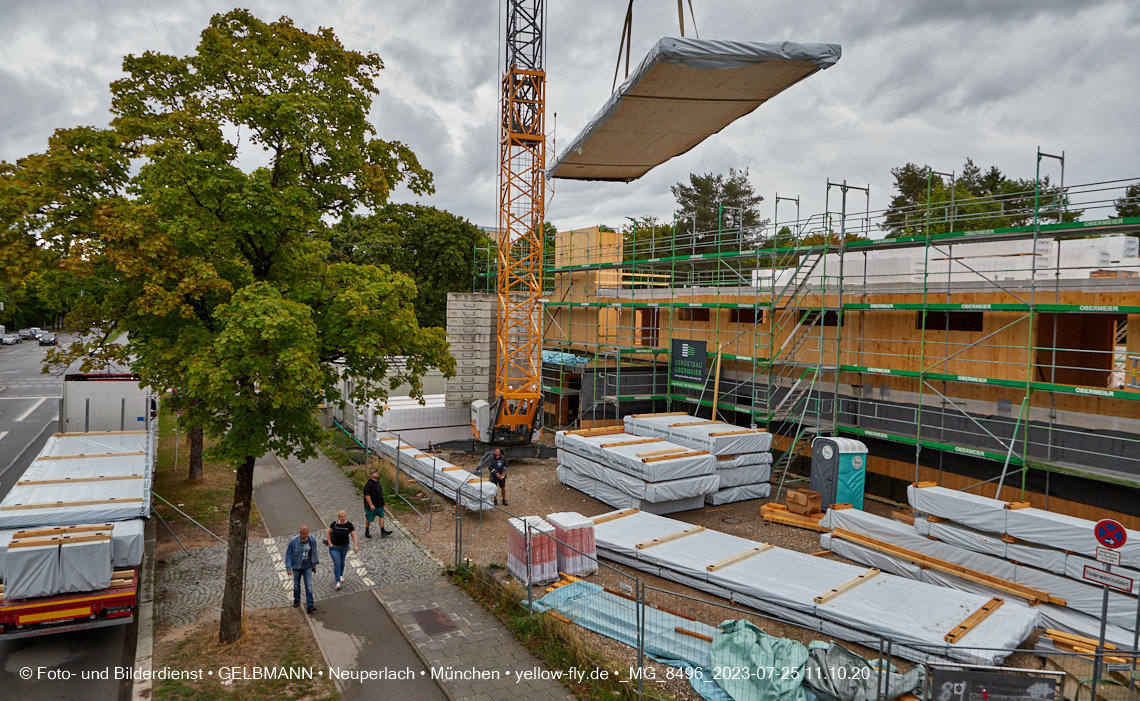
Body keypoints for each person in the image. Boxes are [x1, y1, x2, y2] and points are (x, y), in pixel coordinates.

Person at [285, 525, 320, 612]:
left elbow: (314, 552)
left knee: (308, 585)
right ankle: (297, 599)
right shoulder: (294, 541)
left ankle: (310, 604)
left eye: (307, 534)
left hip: (307, 566)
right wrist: (288, 567)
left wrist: (314, 563)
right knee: (296, 584)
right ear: (300, 532)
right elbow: (288, 554)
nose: (305, 536)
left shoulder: (311, 540)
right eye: (304, 534)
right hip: (297, 567)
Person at [326, 510, 359, 590]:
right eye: (342, 517)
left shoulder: (349, 525)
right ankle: (338, 581)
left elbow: (353, 536)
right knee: (337, 562)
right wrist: (330, 544)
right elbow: (327, 533)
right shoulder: (334, 524)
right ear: (339, 517)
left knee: (342, 561)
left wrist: (356, 546)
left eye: (344, 516)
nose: (343, 518)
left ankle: (340, 575)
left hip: (344, 547)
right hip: (334, 547)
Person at [363, 469, 391, 538]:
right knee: (369, 518)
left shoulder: (378, 482)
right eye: (374, 473)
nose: (376, 474)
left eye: (376, 473)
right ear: (371, 475)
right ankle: (367, 531)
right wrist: (371, 505)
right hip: (372, 506)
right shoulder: (369, 484)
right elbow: (367, 495)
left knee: (382, 516)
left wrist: (382, 503)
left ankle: (382, 531)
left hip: (379, 505)